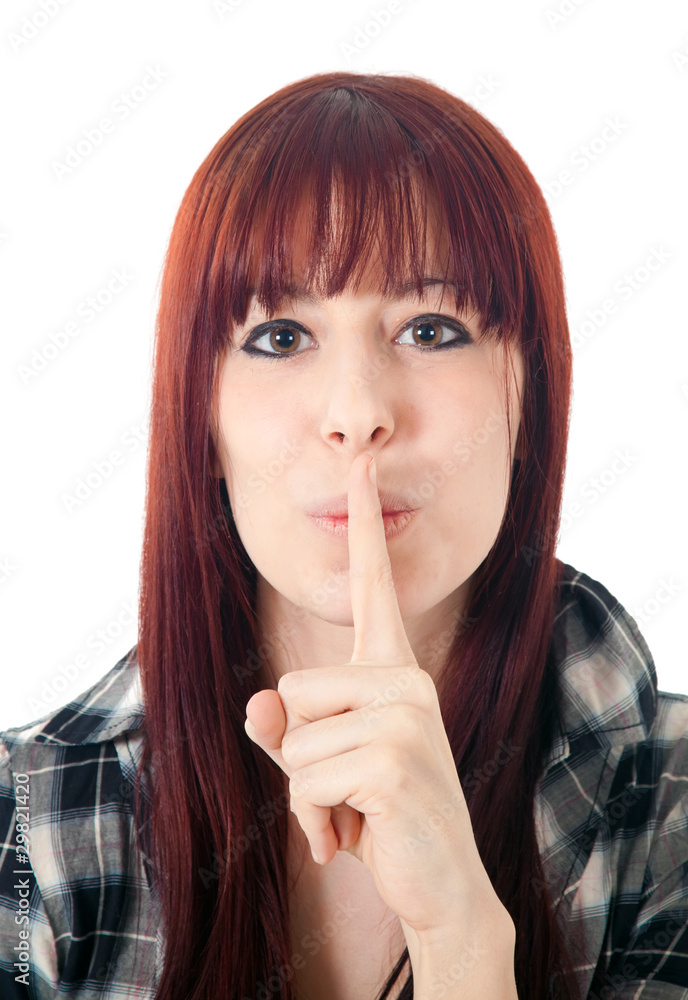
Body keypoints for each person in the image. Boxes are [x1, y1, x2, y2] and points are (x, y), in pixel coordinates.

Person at [1, 70, 687, 1000]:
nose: (358, 412)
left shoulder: (671, 804)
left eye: (432, 328)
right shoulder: (27, 825)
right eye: (281, 337)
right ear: (202, 418)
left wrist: (464, 943)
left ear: (529, 396)